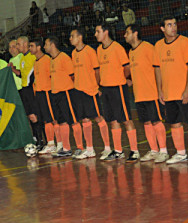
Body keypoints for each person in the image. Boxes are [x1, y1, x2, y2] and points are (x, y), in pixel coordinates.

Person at [153, 16, 188, 165]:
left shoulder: (185, 42)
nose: (173, 27)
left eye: (174, 24)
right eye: (169, 25)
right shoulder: (158, 46)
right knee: (174, 123)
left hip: (185, 93)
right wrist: (160, 90)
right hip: (169, 93)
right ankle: (181, 153)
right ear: (162, 29)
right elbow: (157, 69)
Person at [124, 24, 168, 163]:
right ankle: (154, 150)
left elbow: (158, 68)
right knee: (147, 123)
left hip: (151, 93)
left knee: (156, 121)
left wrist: (160, 89)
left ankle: (164, 151)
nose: (125, 35)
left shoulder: (148, 48)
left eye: (127, 33)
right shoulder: (131, 52)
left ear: (135, 34)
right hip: (139, 95)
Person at [95, 23, 139, 161]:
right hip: (106, 89)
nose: (95, 34)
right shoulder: (98, 50)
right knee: (113, 120)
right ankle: (118, 150)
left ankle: (134, 151)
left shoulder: (117, 48)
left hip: (118, 88)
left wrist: (122, 79)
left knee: (126, 119)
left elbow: (127, 67)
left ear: (106, 32)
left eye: (98, 31)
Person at [69, 28, 112, 160]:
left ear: (80, 37)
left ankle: (107, 148)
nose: (70, 38)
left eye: (72, 36)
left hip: (90, 90)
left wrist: (96, 86)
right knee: (85, 120)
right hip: (78, 91)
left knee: (98, 117)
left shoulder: (89, 51)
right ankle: (90, 149)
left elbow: (97, 71)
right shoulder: (73, 53)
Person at [44, 36, 78, 157]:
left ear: (52, 45)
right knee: (62, 122)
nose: (44, 47)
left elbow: (73, 76)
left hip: (66, 93)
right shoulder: (52, 60)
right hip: (55, 94)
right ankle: (66, 148)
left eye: (46, 44)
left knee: (73, 121)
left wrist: (70, 89)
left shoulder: (64, 57)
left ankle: (80, 148)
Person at [29, 38, 61, 155]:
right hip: (39, 93)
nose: (29, 48)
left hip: (47, 92)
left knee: (53, 119)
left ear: (38, 47)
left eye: (31, 46)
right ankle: (51, 143)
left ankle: (60, 144)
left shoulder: (47, 59)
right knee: (46, 120)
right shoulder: (35, 61)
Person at [17, 36, 45, 149]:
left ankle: (43, 140)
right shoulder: (22, 58)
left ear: (25, 44)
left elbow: (33, 74)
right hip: (24, 90)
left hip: (31, 89)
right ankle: (36, 139)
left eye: (18, 44)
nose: (17, 46)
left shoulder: (32, 57)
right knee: (30, 115)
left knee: (36, 115)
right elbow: (23, 75)